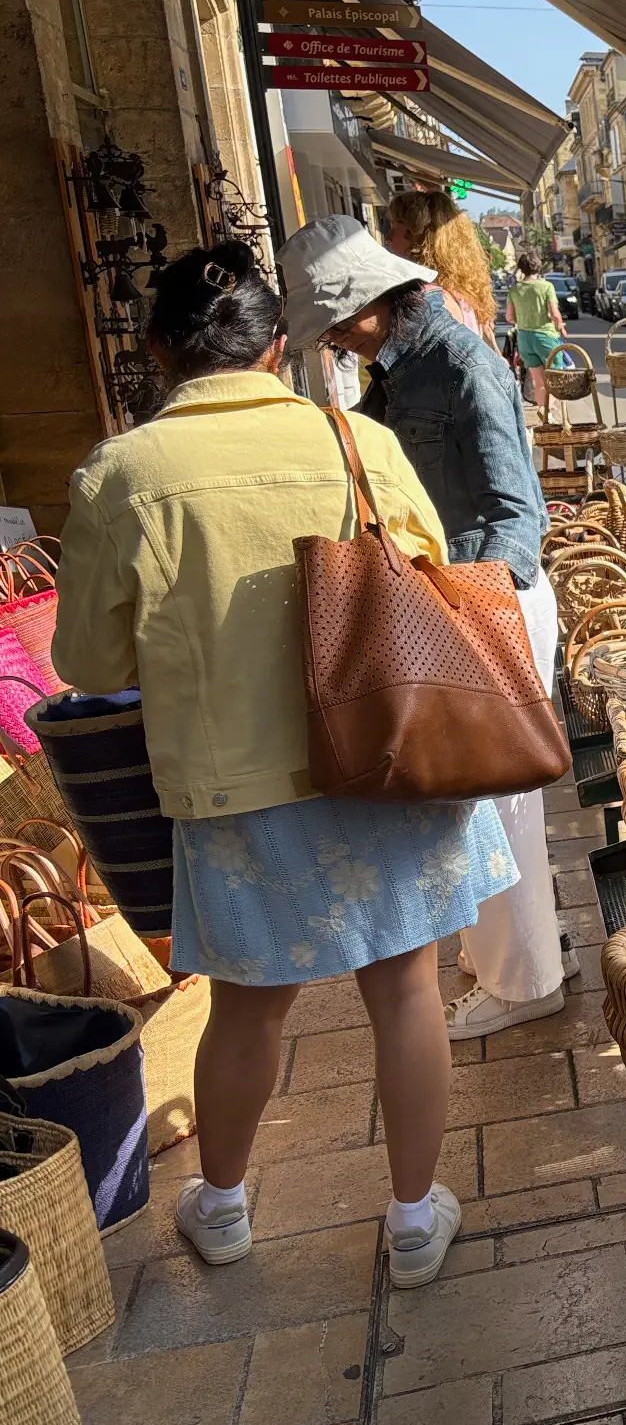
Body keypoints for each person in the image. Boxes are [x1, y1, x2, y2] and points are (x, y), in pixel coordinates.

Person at [52, 242, 509, 1285]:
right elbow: (433, 572)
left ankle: (221, 1206)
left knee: (248, 1004)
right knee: (407, 993)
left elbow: (88, 660)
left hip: (234, 784)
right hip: (385, 757)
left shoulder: (121, 475)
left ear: (161, 352)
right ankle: (408, 1222)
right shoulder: (356, 442)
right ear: (273, 344)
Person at [280, 216, 570, 1043]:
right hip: (464, 603)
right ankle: (525, 958)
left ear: (375, 300)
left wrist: (461, 608)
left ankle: (525, 983)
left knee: (491, 801)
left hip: (486, 603)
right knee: (486, 798)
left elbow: (518, 516)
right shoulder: (397, 373)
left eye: (337, 318)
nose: (332, 335)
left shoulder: (459, 363)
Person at [386, 190, 497, 345]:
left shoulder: (429, 298)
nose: (388, 238)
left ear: (415, 235)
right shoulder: (459, 290)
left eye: (393, 228)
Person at [506, 250, 569, 412]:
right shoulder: (546, 286)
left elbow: (509, 317)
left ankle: (543, 411)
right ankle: (552, 412)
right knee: (554, 378)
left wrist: (524, 319)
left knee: (538, 381)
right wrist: (560, 326)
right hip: (546, 337)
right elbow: (555, 314)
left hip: (525, 338)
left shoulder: (515, 289)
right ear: (538, 267)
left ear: (521, 268)